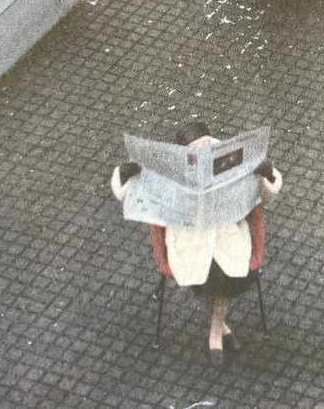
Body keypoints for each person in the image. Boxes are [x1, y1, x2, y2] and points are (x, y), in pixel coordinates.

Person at [110, 121, 282, 366]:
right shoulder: (169, 170)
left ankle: (215, 333)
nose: (201, 150)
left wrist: (268, 174)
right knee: (200, 276)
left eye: (205, 145)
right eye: (195, 148)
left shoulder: (232, 161)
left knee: (225, 277)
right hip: (187, 241)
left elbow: (265, 196)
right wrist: (124, 175)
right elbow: (132, 193)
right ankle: (221, 325)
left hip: (227, 236)